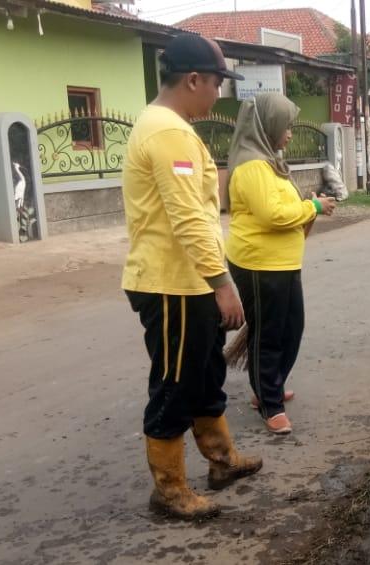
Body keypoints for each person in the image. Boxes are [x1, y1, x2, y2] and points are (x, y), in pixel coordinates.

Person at [121, 34, 261, 521]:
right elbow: (188, 219)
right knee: (175, 383)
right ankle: (169, 489)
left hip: (188, 280)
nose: (219, 93)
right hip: (172, 283)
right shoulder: (169, 133)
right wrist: (222, 282)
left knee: (205, 373)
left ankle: (221, 461)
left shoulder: (168, 125)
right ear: (195, 79)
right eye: (218, 82)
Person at [225, 93, 337, 435]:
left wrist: (309, 205)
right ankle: (268, 402)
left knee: (292, 328)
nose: (289, 133)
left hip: (283, 263)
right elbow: (273, 215)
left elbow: (284, 208)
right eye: (285, 126)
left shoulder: (269, 162)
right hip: (259, 264)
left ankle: (268, 386)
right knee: (269, 334)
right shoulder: (252, 166)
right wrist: (313, 208)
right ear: (267, 125)